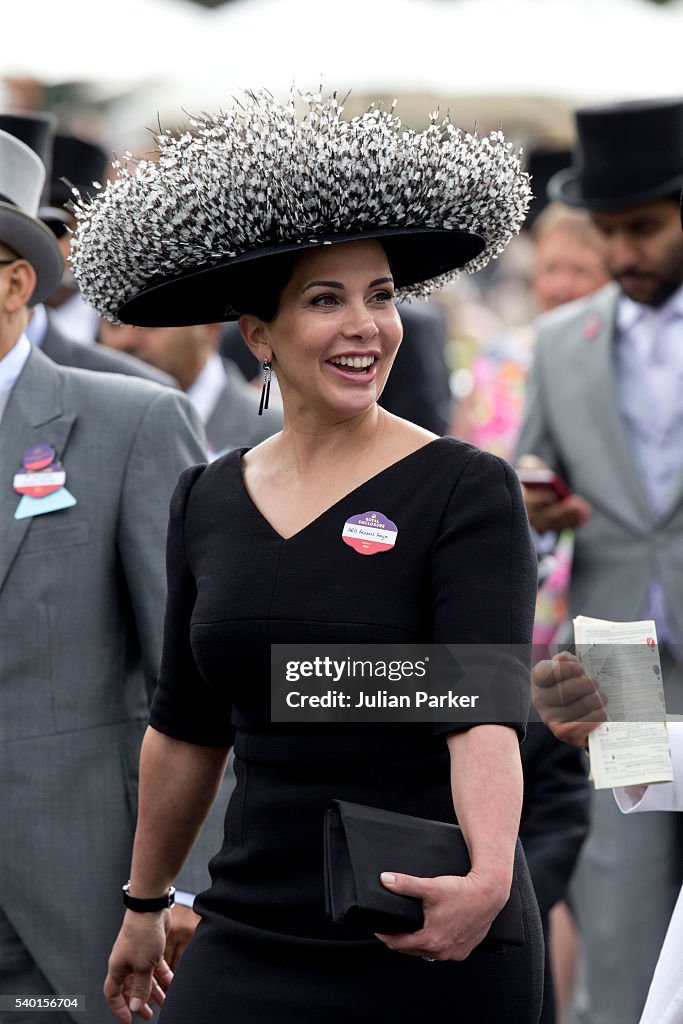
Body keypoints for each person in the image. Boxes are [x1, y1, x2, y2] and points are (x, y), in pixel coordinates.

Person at [72, 90, 543, 1024]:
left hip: (423, 914)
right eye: (325, 300)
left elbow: (483, 706)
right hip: (249, 924)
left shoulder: (462, 487)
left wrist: (488, 877)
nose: (364, 326)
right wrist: (145, 901)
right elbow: (185, 724)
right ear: (261, 338)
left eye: (379, 295)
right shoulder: (204, 497)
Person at [0, 127, 211, 1024]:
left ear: (13, 281)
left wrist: (185, 887)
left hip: (74, 902)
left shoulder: (129, 422)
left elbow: (198, 680)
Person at [515, 97, 683, 1024]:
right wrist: (539, 508)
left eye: (645, 230)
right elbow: (530, 501)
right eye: (609, 232)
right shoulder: (556, 343)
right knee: (620, 890)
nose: (624, 254)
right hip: (615, 646)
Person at [98, 319, 283, 456]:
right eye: (113, 323)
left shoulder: (274, 429)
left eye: (149, 322)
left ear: (210, 327)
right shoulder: (93, 424)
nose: (126, 340)